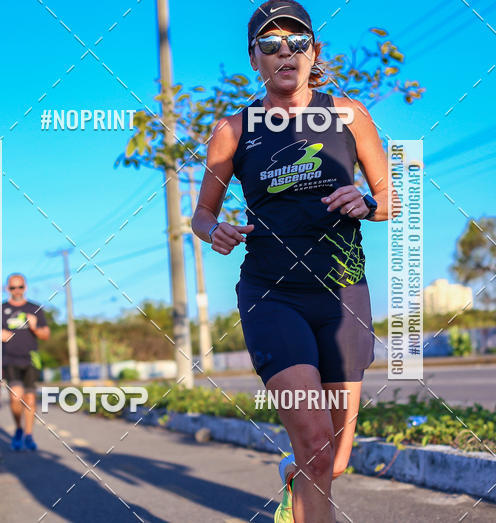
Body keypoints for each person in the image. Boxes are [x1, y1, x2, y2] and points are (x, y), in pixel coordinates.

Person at [192, 1, 397, 521]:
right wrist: (215, 231)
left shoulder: (350, 116)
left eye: (297, 41)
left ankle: (294, 476)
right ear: (254, 58)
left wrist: (367, 202)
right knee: (315, 445)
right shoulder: (233, 131)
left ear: (314, 51)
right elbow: (201, 215)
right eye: (270, 43)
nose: (285, 51)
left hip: (343, 292)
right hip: (271, 295)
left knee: (335, 459)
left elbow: (391, 199)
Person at [1, 273, 50, 451]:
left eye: (20, 287)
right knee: (16, 396)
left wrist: (34, 327)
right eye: (13, 287)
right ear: (7, 288)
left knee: (29, 398)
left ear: (25, 287)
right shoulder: (0, 310)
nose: (17, 290)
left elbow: (46, 335)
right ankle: (18, 429)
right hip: (10, 359)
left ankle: (29, 435)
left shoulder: (35, 308)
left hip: (31, 359)